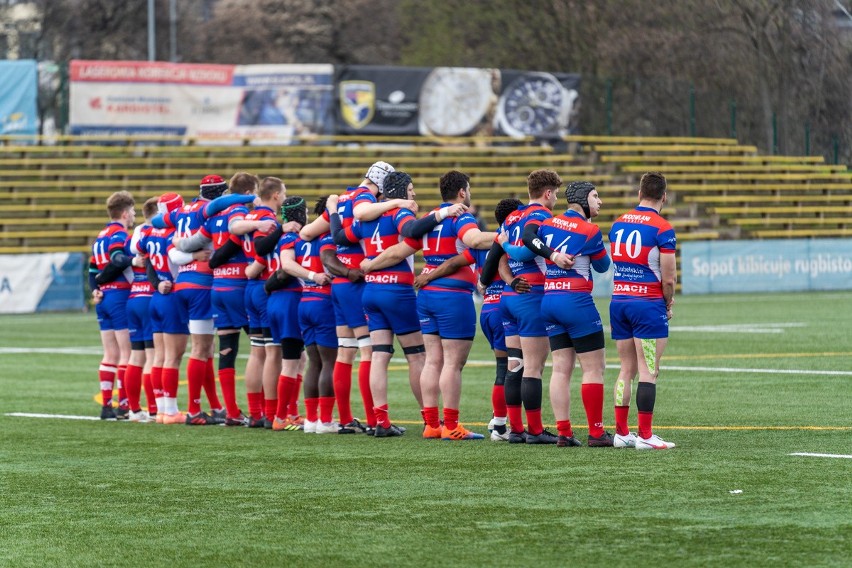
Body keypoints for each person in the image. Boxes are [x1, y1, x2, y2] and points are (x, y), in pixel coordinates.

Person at [299, 161, 413, 434]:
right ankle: (375, 420)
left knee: (345, 351)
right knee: (367, 352)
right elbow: (362, 214)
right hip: (358, 279)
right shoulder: (363, 198)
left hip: (338, 284)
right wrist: (396, 203)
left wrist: (333, 212)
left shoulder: (343, 198)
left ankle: (334, 419)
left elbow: (305, 233)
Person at [415, 197, 523, 441]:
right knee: (510, 369)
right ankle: (501, 426)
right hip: (504, 309)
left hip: (486, 309)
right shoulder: (508, 241)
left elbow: (455, 261)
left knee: (434, 361)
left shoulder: (478, 246)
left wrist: (429, 276)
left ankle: (432, 424)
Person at [172, 172, 275, 426]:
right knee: (261, 349)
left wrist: (178, 242)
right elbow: (236, 230)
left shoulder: (213, 216)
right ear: (251, 190)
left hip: (218, 287)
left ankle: (230, 411)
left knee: (226, 350)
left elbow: (189, 244)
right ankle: (260, 411)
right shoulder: (240, 212)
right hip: (242, 286)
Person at [522, 181, 612, 447]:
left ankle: (564, 432)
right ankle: (596, 433)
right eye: (596, 196)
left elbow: (530, 237)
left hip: (550, 300)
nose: (600, 201)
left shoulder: (548, 223)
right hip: (576, 302)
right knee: (594, 369)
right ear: (583, 200)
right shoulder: (590, 230)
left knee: (560, 369)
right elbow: (603, 266)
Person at [480, 169, 566, 445]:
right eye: (556, 194)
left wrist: (501, 280)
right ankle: (536, 430)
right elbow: (530, 248)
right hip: (532, 295)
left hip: (509, 297)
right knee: (533, 368)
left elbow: (492, 260)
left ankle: (515, 429)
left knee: (514, 365)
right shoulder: (541, 216)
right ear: (548, 193)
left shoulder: (510, 219)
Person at [414, 170, 496, 441]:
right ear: (462, 192)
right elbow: (473, 240)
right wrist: (504, 235)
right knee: (452, 363)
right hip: (452, 296)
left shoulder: (429, 217)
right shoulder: (459, 215)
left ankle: (430, 424)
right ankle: (451, 425)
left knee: (433, 361)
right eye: (469, 189)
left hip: (426, 294)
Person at [152, 175, 229, 425]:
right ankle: (193, 410)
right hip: (201, 283)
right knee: (200, 349)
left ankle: (213, 406)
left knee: (204, 349)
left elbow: (170, 248)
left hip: (181, 285)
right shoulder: (206, 212)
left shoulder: (177, 216)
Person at [608, 172, 677, 450]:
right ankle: (646, 437)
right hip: (647, 305)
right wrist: (667, 302)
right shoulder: (662, 228)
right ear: (664, 196)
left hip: (620, 302)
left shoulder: (618, 223)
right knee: (649, 371)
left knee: (626, 369)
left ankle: (622, 433)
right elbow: (669, 278)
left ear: (639, 194)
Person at [139, 192, 191, 424]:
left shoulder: (148, 232)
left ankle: (161, 409)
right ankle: (170, 411)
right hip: (172, 295)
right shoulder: (174, 232)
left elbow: (143, 255)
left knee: (159, 357)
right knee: (173, 357)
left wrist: (156, 282)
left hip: (157, 294)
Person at [90, 191, 136, 420]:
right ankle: (124, 405)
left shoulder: (101, 235)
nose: (134, 216)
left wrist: (95, 287)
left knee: (110, 353)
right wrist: (134, 261)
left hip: (104, 300)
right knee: (126, 353)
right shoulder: (119, 233)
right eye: (133, 212)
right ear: (126, 213)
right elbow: (118, 259)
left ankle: (106, 405)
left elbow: (92, 269)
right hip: (119, 295)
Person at [120, 197, 159, 422]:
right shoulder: (159, 232)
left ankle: (134, 410)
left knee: (137, 356)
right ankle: (154, 409)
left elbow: (127, 256)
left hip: (134, 296)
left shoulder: (136, 235)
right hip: (149, 297)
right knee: (153, 356)